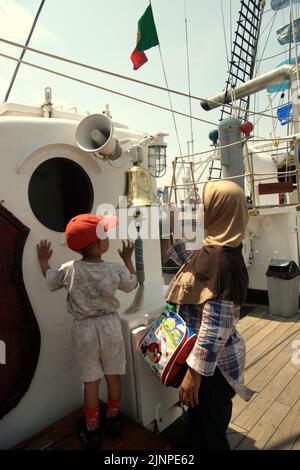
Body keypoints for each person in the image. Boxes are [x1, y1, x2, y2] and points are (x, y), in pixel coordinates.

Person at [166, 180, 255, 450]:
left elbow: (215, 328)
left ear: (220, 210)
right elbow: (195, 265)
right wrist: (171, 231)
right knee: (203, 425)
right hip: (209, 367)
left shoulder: (223, 262)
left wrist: (194, 376)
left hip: (211, 371)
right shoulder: (219, 247)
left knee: (209, 436)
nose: (201, 210)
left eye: (205, 206)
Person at [36, 213, 137, 450]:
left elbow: (51, 281)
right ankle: (113, 420)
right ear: (99, 244)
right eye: (105, 233)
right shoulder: (114, 269)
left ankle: (92, 430)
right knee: (114, 375)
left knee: (91, 381)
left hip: (83, 330)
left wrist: (43, 261)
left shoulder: (70, 269)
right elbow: (132, 283)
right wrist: (127, 259)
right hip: (109, 326)